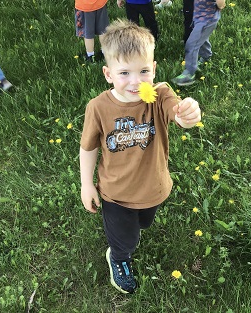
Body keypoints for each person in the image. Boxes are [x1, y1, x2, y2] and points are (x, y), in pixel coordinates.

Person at [79, 19, 201, 294]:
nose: (136, 81)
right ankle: (119, 258)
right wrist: (87, 184)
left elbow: (177, 112)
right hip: (116, 193)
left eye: (144, 70)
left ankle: (132, 231)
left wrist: (187, 112)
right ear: (108, 74)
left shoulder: (160, 96)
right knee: (126, 239)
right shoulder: (98, 108)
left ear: (154, 69)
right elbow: (88, 148)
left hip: (153, 187)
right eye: (124, 73)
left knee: (144, 221)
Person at [172, 0, 226, 86]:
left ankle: (189, 74)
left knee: (191, 45)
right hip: (199, 18)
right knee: (201, 39)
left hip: (207, 20)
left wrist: (220, 5)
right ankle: (206, 56)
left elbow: (221, 3)